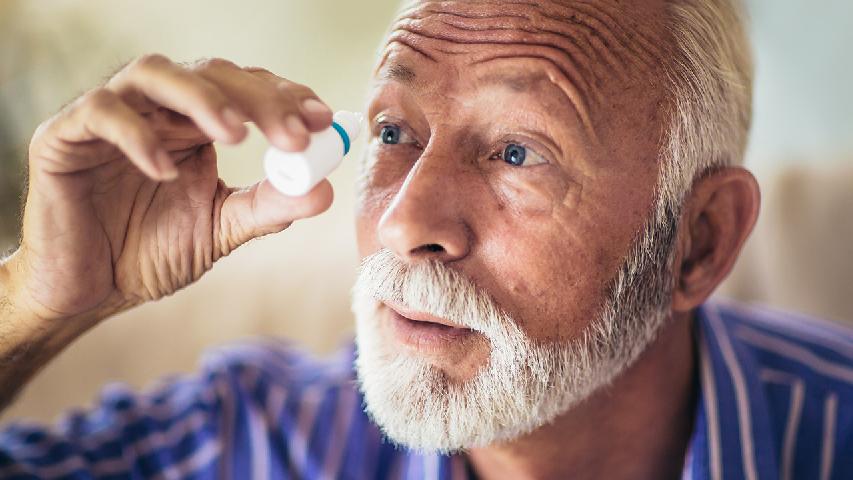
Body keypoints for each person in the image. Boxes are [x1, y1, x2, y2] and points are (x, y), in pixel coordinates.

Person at [0, 0, 851, 478]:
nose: (405, 222)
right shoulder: (258, 440)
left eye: (517, 151)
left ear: (698, 241)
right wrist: (39, 300)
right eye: (395, 133)